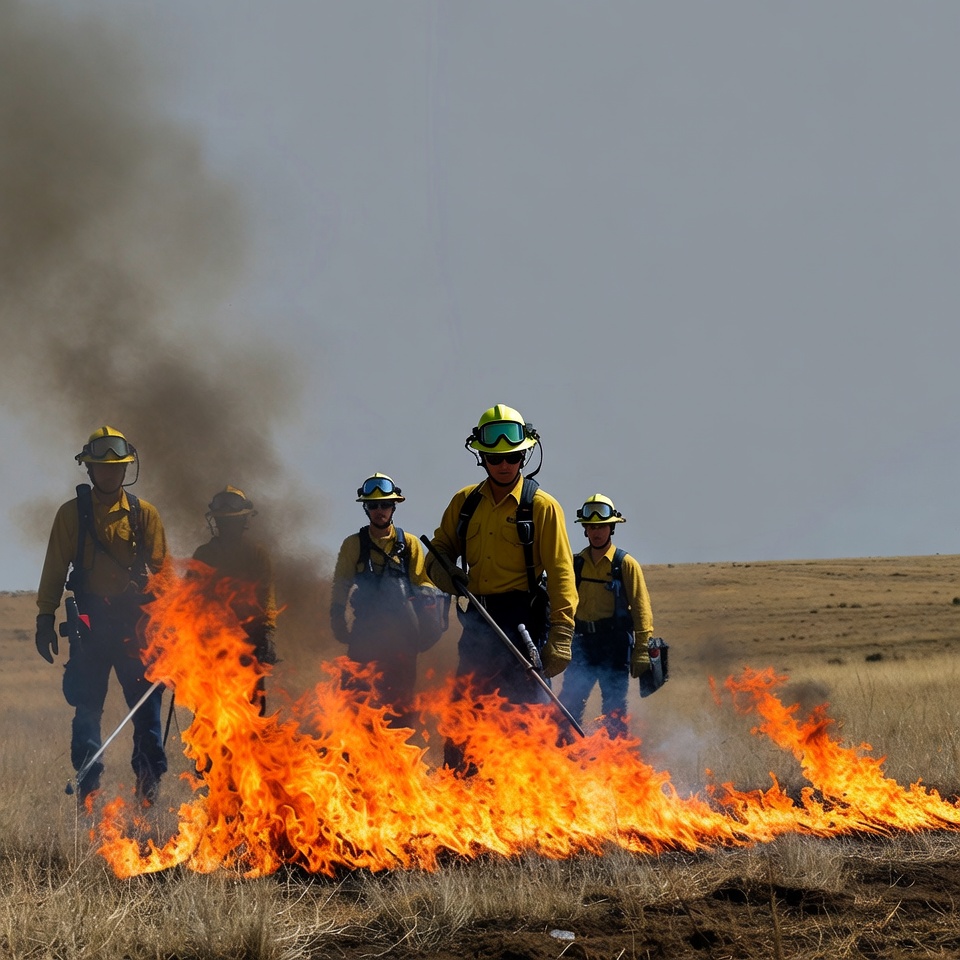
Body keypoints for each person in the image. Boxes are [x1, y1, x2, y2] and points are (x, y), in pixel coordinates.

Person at [35, 426, 168, 805]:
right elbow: (54, 568)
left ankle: (148, 797)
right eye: (101, 467)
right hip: (90, 629)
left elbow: (164, 578)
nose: (109, 474)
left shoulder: (146, 515)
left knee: (147, 719)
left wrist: (170, 630)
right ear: (89, 470)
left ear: (126, 470)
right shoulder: (70, 515)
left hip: (137, 630)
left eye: (117, 468)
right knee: (87, 715)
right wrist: (45, 617)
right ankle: (88, 798)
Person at [427, 404, 577, 735]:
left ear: (525, 455)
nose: (504, 464)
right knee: (465, 722)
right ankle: (459, 784)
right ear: (481, 458)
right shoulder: (464, 503)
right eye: (495, 459)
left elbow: (562, 573)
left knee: (527, 725)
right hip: (479, 622)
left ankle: (530, 785)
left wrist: (561, 636)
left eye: (513, 457)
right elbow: (437, 553)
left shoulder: (542, 507)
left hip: (526, 624)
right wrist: (447, 574)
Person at [330, 473, 443, 727]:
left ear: (394, 507)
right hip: (365, 636)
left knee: (400, 706)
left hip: (402, 638)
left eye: (384, 505)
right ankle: (359, 758)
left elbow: (422, 580)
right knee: (356, 701)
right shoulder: (354, 545)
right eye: (373, 506)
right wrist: (337, 615)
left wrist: (429, 605)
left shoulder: (410, 543)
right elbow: (341, 583)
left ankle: (399, 760)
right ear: (366, 509)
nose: (379, 510)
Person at [558, 494, 654, 739]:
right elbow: (562, 604)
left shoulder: (626, 564)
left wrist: (642, 649)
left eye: (601, 526)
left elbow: (642, 609)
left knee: (614, 710)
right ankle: (567, 757)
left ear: (612, 528)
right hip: (582, 644)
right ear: (585, 530)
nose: (596, 531)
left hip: (615, 645)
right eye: (591, 527)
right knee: (568, 705)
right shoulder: (575, 564)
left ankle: (616, 762)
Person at [192, 486, 277, 715]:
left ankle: (250, 749)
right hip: (212, 642)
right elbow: (190, 597)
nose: (228, 527)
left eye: (233, 521)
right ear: (216, 522)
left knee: (252, 705)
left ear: (243, 521)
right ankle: (209, 751)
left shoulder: (256, 554)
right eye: (223, 521)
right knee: (211, 707)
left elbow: (265, 593)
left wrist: (267, 631)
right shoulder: (203, 554)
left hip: (250, 639)